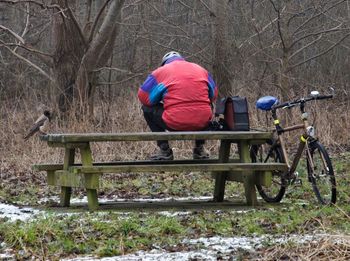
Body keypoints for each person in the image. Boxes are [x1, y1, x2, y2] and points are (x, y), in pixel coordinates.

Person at [138, 51, 218, 160]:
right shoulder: (201, 70)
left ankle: (164, 150)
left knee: (147, 109)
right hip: (201, 122)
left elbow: (144, 97)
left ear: (164, 63)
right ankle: (200, 149)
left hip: (174, 122)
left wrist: (161, 99)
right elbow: (213, 95)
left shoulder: (160, 72)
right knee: (208, 106)